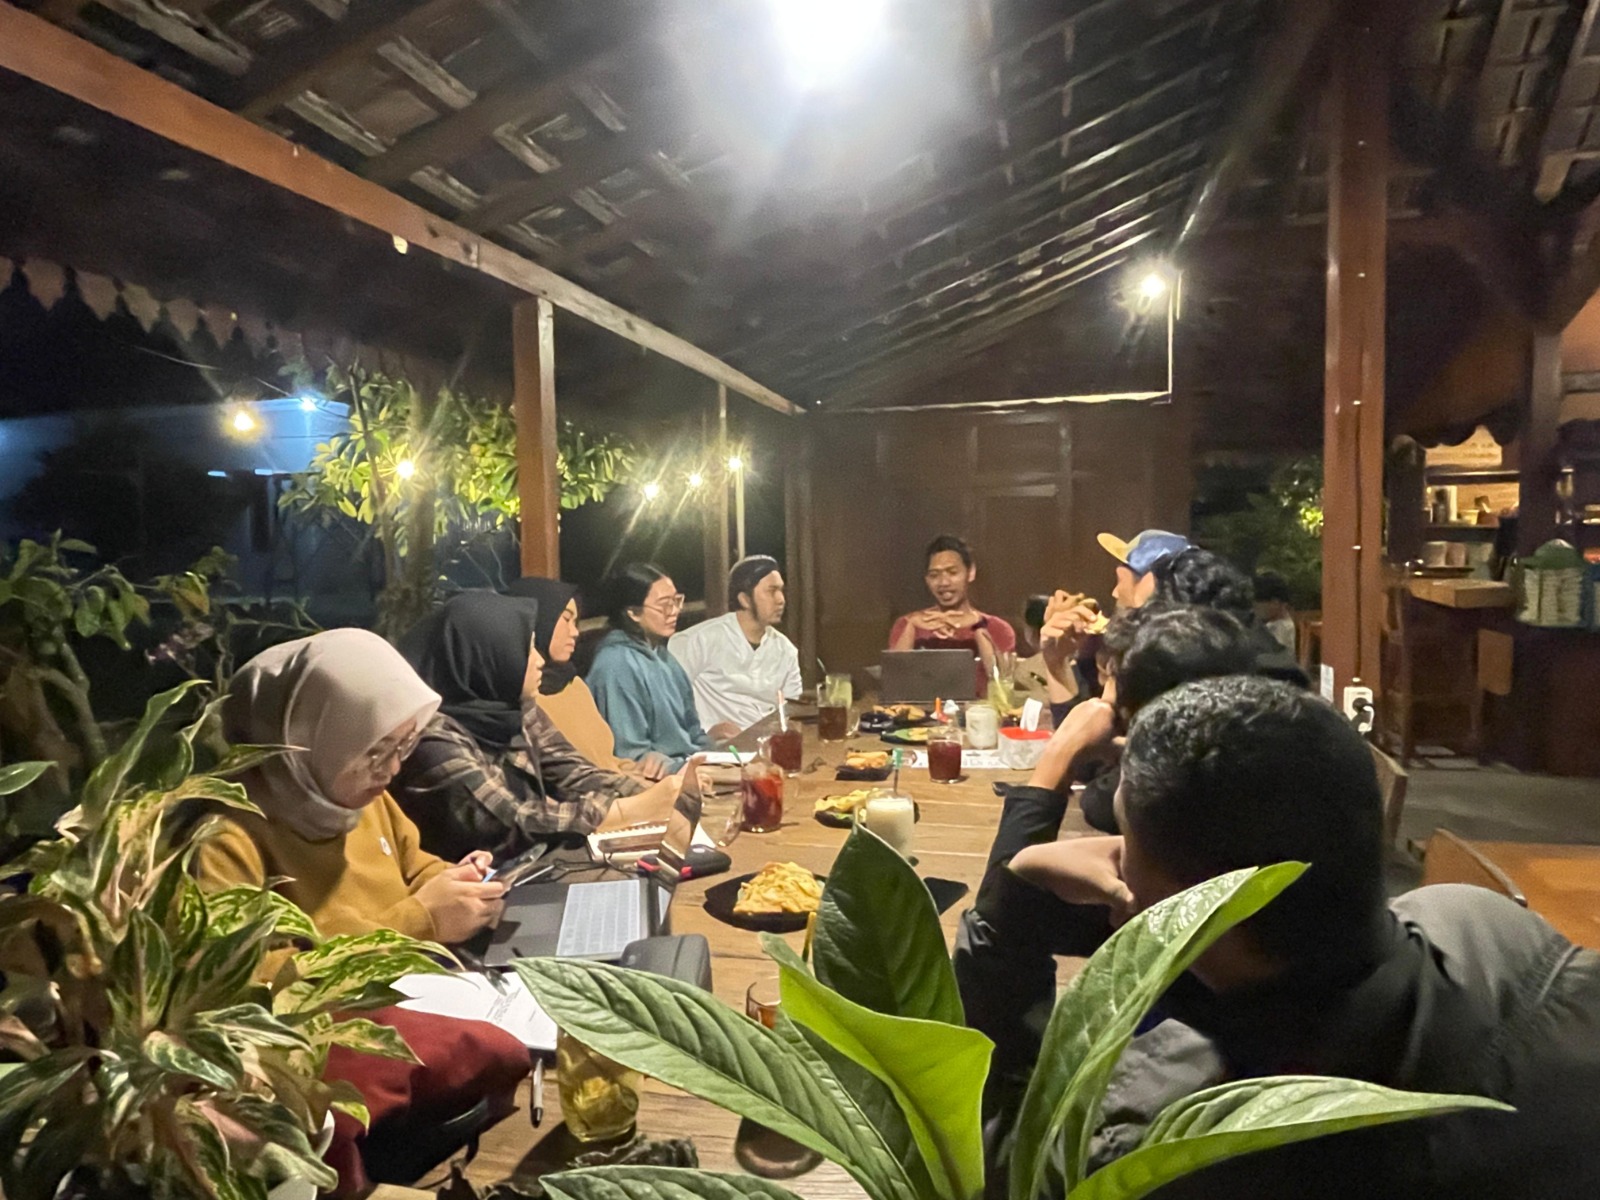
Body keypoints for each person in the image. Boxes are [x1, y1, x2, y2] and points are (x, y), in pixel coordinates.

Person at [957, 677, 1600, 1200]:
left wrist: (1011, 910)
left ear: (1200, 906)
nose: (1116, 855)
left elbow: (995, 1162)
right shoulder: (1482, 923)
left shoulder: (1165, 1144)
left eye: (1127, 838)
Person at [194, 628, 505, 945]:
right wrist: (420, 921)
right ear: (302, 742)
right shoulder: (225, 843)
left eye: (403, 746)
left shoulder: (359, 799)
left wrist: (461, 883)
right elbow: (253, 970)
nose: (393, 768)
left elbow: (413, 868)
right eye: (374, 752)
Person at [392, 591, 684, 862]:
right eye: (526, 649)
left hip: (529, 870)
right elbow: (512, 821)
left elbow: (574, 773)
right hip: (475, 887)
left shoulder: (514, 708)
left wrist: (660, 794)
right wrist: (626, 810)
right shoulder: (430, 738)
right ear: (487, 654)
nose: (539, 660)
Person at [504, 576, 672, 781]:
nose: (574, 632)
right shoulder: (523, 699)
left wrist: (642, 769)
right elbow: (569, 778)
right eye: (566, 619)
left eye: (576, 622)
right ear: (537, 620)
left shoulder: (573, 685)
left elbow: (605, 760)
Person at [588, 563, 742, 769]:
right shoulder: (615, 664)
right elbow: (632, 756)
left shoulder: (664, 656)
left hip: (687, 766)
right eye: (664, 605)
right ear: (633, 613)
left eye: (676, 601)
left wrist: (717, 748)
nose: (674, 611)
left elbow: (691, 733)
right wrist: (687, 769)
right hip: (657, 778)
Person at [668, 555, 803, 731]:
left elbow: (793, 708)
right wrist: (705, 735)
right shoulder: (699, 640)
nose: (781, 600)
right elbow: (667, 702)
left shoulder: (786, 649)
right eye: (771, 591)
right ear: (744, 599)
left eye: (781, 591)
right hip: (717, 744)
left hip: (769, 741)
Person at [890, 534, 1017, 694]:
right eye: (934, 575)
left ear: (970, 572)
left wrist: (977, 625)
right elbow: (894, 683)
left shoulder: (998, 628)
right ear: (926, 579)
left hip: (980, 708)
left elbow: (1001, 681)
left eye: (952, 572)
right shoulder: (906, 624)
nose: (944, 582)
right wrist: (911, 627)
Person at [1253, 569, 1298, 654]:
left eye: (1258, 605)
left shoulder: (1281, 628)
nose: (1255, 609)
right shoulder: (1273, 625)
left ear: (1275, 603)